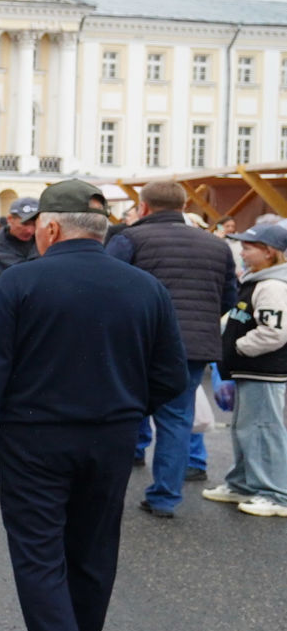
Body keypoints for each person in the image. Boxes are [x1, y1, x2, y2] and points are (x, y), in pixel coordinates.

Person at [0, 179, 189, 631]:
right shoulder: (144, 287)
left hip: (35, 437)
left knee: (39, 554)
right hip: (111, 436)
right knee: (92, 550)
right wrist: (126, 408)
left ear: (52, 228)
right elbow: (171, 377)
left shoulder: (20, 282)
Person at [106, 179, 236, 517]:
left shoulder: (130, 239)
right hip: (193, 346)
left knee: (121, 411)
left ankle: (107, 491)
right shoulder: (216, 245)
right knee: (177, 419)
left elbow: (106, 286)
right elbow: (228, 298)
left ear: (144, 207)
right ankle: (164, 497)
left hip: (138, 342)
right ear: (184, 208)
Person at [210, 220, 287, 516]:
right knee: (247, 429)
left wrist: (238, 347)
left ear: (269, 252)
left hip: (264, 370)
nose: (242, 251)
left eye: (249, 246)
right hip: (251, 369)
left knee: (264, 429)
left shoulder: (272, 286)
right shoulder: (259, 280)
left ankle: (276, 493)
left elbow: (274, 332)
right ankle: (242, 483)